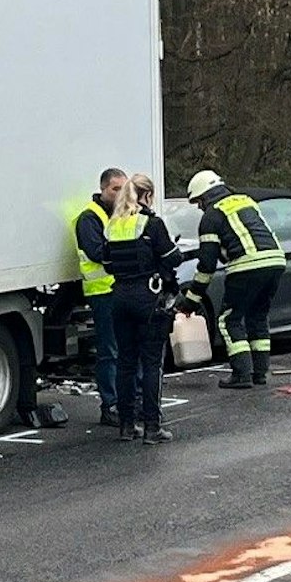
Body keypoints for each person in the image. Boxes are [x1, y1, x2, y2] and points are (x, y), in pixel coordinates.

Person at [177, 169, 287, 389]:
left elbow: (207, 266)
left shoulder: (212, 215)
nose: (199, 207)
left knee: (229, 320)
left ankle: (241, 374)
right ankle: (260, 372)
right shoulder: (246, 201)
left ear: (204, 196)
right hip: (276, 260)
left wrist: (190, 301)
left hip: (246, 266)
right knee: (258, 316)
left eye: (198, 202)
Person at [102, 173, 182, 444]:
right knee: (151, 364)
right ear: (147, 195)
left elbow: (107, 263)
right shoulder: (152, 223)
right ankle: (152, 427)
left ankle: (126, 426)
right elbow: (173, 257)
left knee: (125, 363)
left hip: (119, 297)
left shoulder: (113, 225)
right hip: (148, 298)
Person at [75, 168, 128, 425]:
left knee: (127, 349)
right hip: (103, 293)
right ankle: (111, 405)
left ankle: (127, 401)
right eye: (115, 189)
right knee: (110, 351)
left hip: (123, 290)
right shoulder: (89, 218)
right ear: (103, 189)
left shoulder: (122, 214)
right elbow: (96, 252)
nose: (120, 194)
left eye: (123, 189)